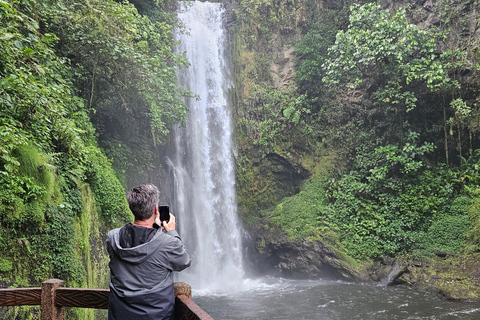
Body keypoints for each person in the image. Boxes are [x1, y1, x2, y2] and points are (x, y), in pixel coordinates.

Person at [107, 184, 191, 320]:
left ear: (131, 207)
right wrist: (171, 232)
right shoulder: (168, 243)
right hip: (157, 316)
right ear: (156, 209)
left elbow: (140, 244)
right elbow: (184, 261)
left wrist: (156, 227)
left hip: (120, 315)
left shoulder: (113, 237)